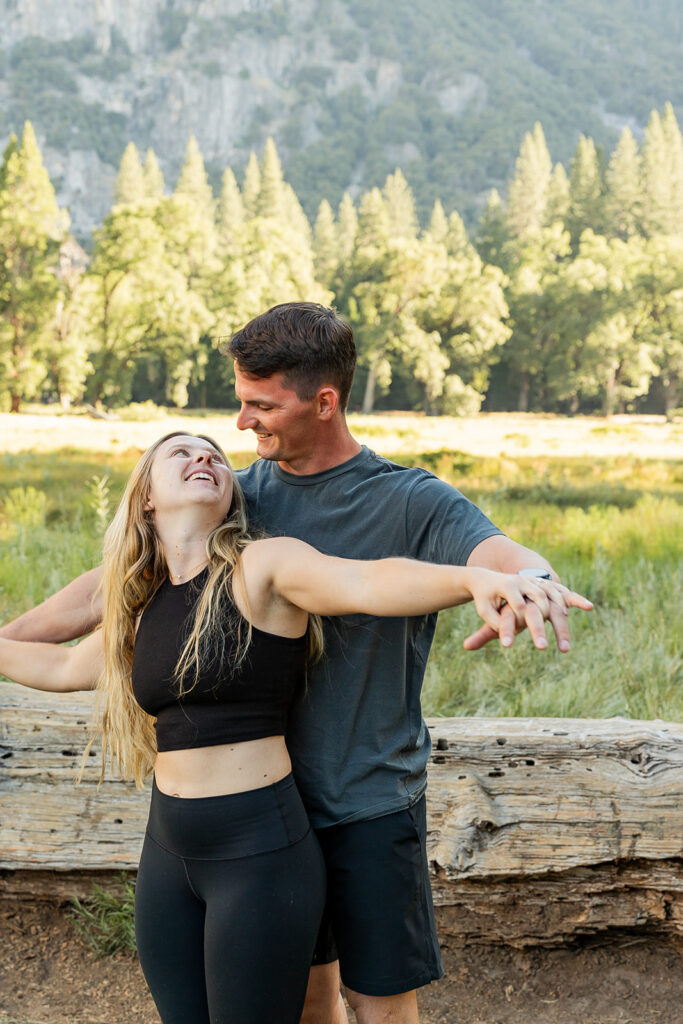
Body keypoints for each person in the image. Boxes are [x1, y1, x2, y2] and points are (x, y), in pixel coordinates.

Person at [1, 303, 593, 1024]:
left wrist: (523, 579)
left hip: (363, 796)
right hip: (267, 804)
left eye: (259, 405)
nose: (240, 426)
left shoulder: (408, 498)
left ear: (324, 401)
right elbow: (111, 589)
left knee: (378, 1004)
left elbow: (458, 562)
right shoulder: (236, 498)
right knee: (308, 1001)